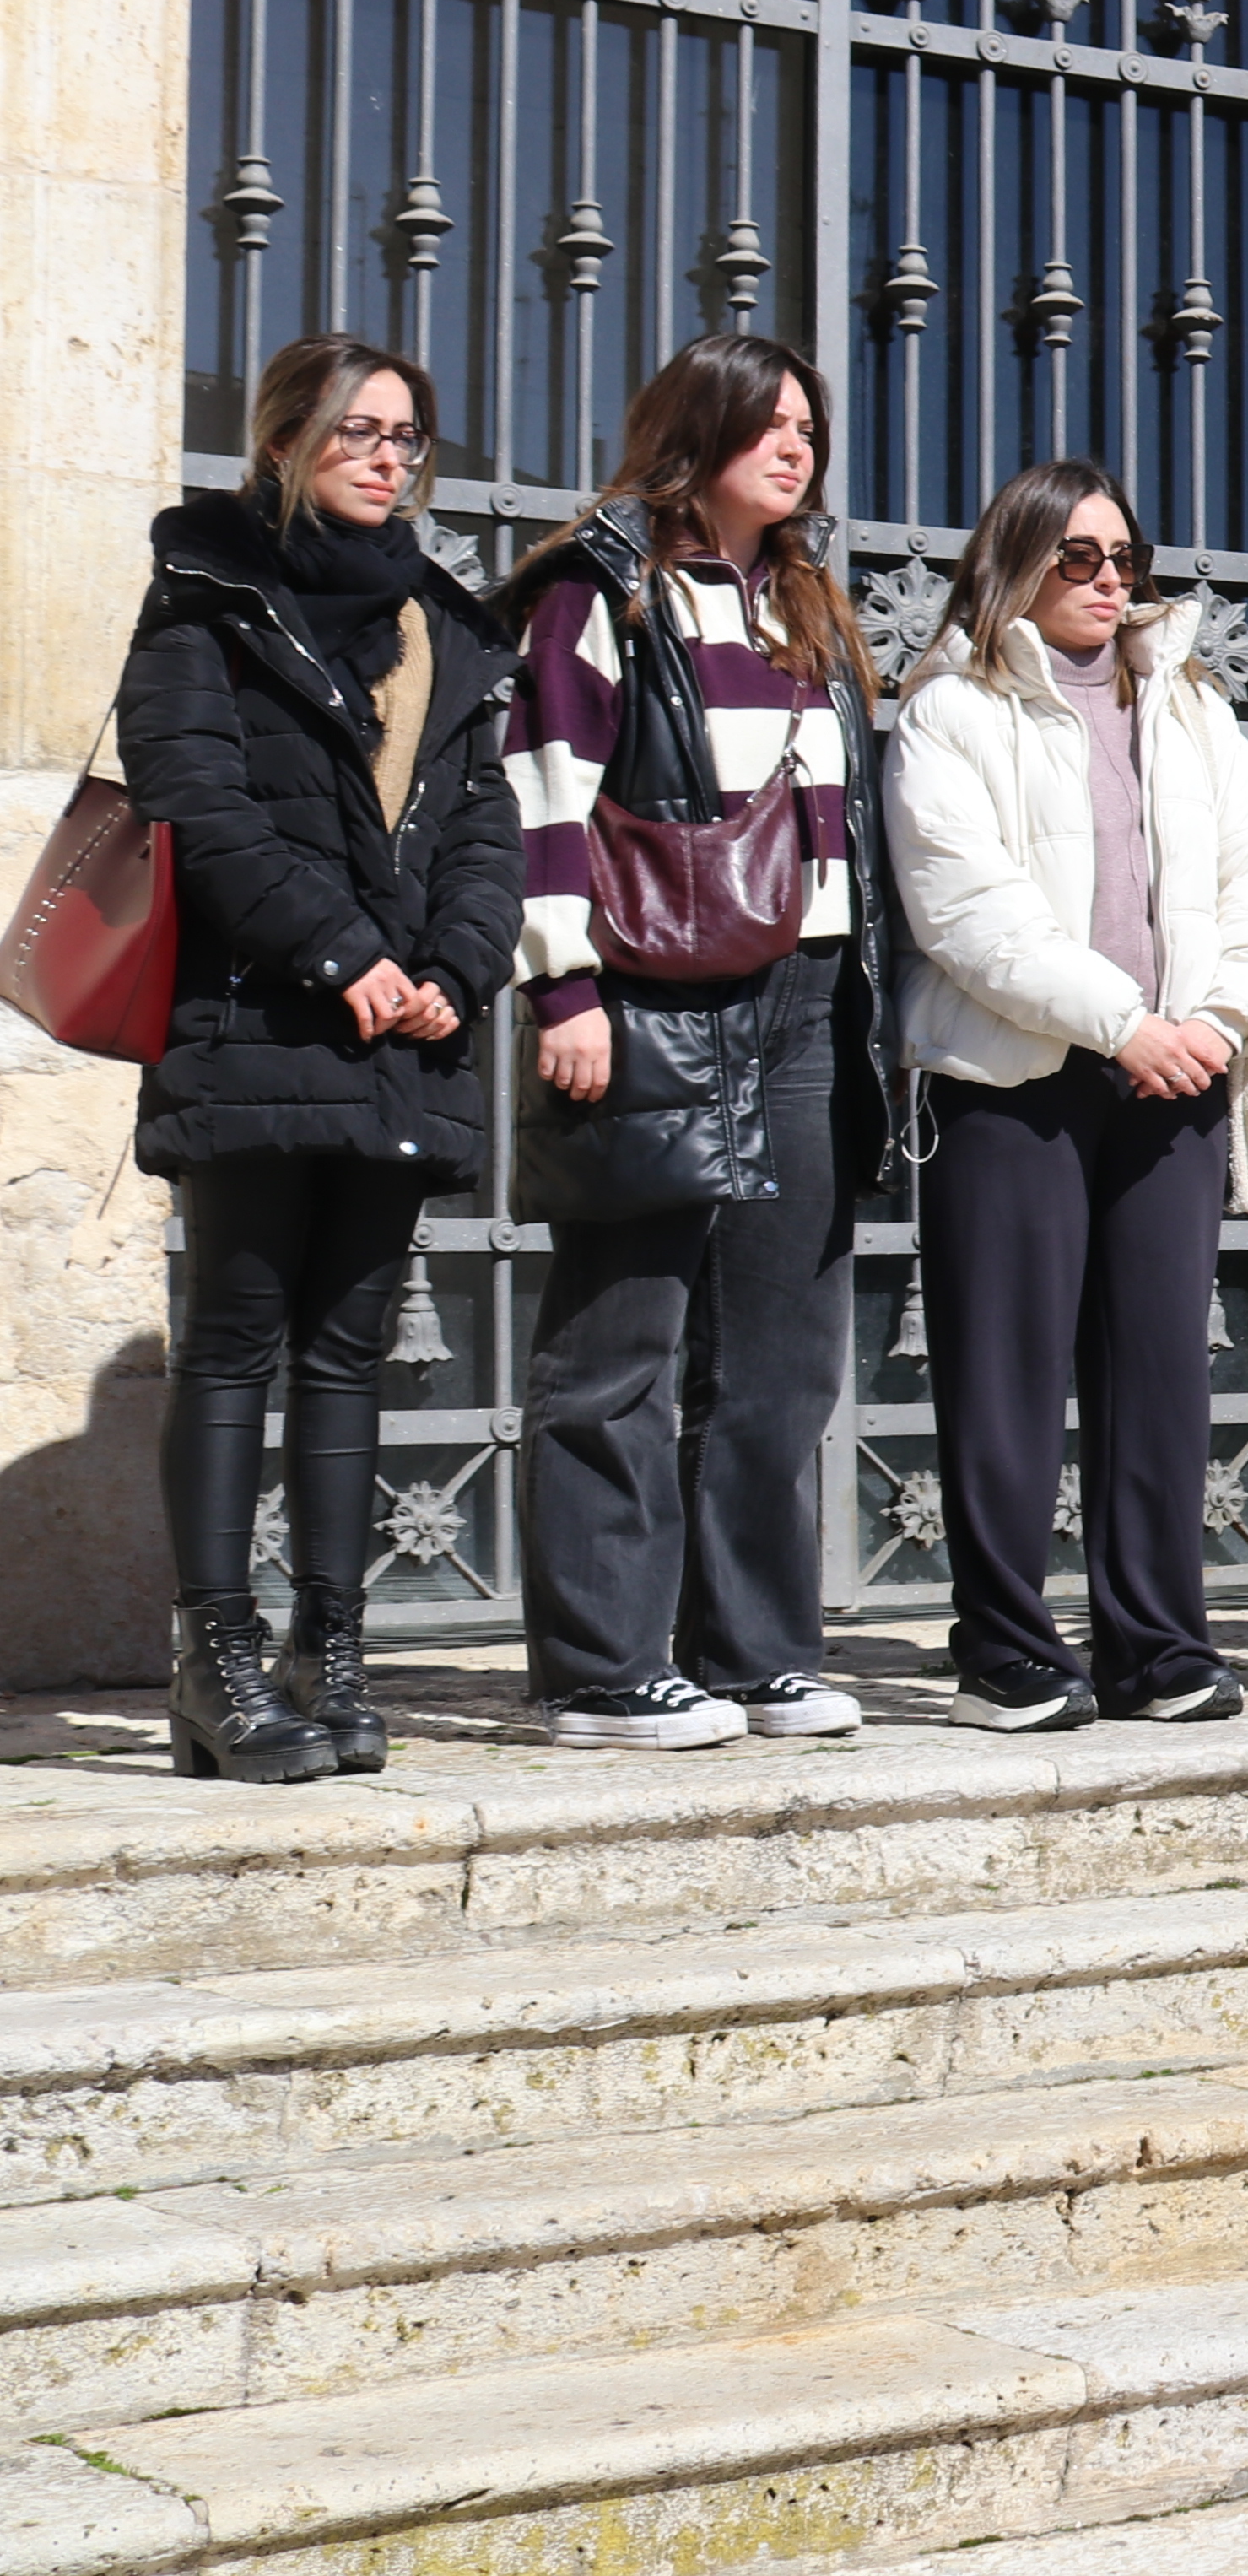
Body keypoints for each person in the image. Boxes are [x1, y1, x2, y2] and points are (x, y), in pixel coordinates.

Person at [114, 337, 517, 1780]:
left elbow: (486, 827)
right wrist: (343, 957)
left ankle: (327, 1649)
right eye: (356, 430)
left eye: (407, 436)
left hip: (407, 1027)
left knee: (348, 1349)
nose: (386, 456)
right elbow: (197, 808)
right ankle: (214, 1662)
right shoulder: (209, 599)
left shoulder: (445, 628)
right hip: (258, 1019)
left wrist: (454, 972)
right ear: (282, 442)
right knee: (236, 1336)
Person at [502, 329, 896, 1747]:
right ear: (697, 431)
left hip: (801, 1000)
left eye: (809, 426)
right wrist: (562, 991)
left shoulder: (806, 604)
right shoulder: (601, 592)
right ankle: (600, 1669)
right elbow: (544, 801)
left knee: (780, 1351)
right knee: (622, 1342)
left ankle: (752, 1652)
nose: (797, 445)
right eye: (767, 423)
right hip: (648, 993)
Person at [889, 462, 1248, 1728]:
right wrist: (1121, 1024)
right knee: (1006, 1372)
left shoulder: (1186, 705)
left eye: (1124, 557)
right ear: (1017, 560)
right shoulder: (949, 710)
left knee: (1157, 1372)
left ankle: (1156, 1644)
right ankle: (1005, 1647)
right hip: (1017, 1080)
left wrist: (1221, 1019)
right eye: (1077, 556)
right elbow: (968, 914)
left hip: (1178, 1071)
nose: (1109, 579)